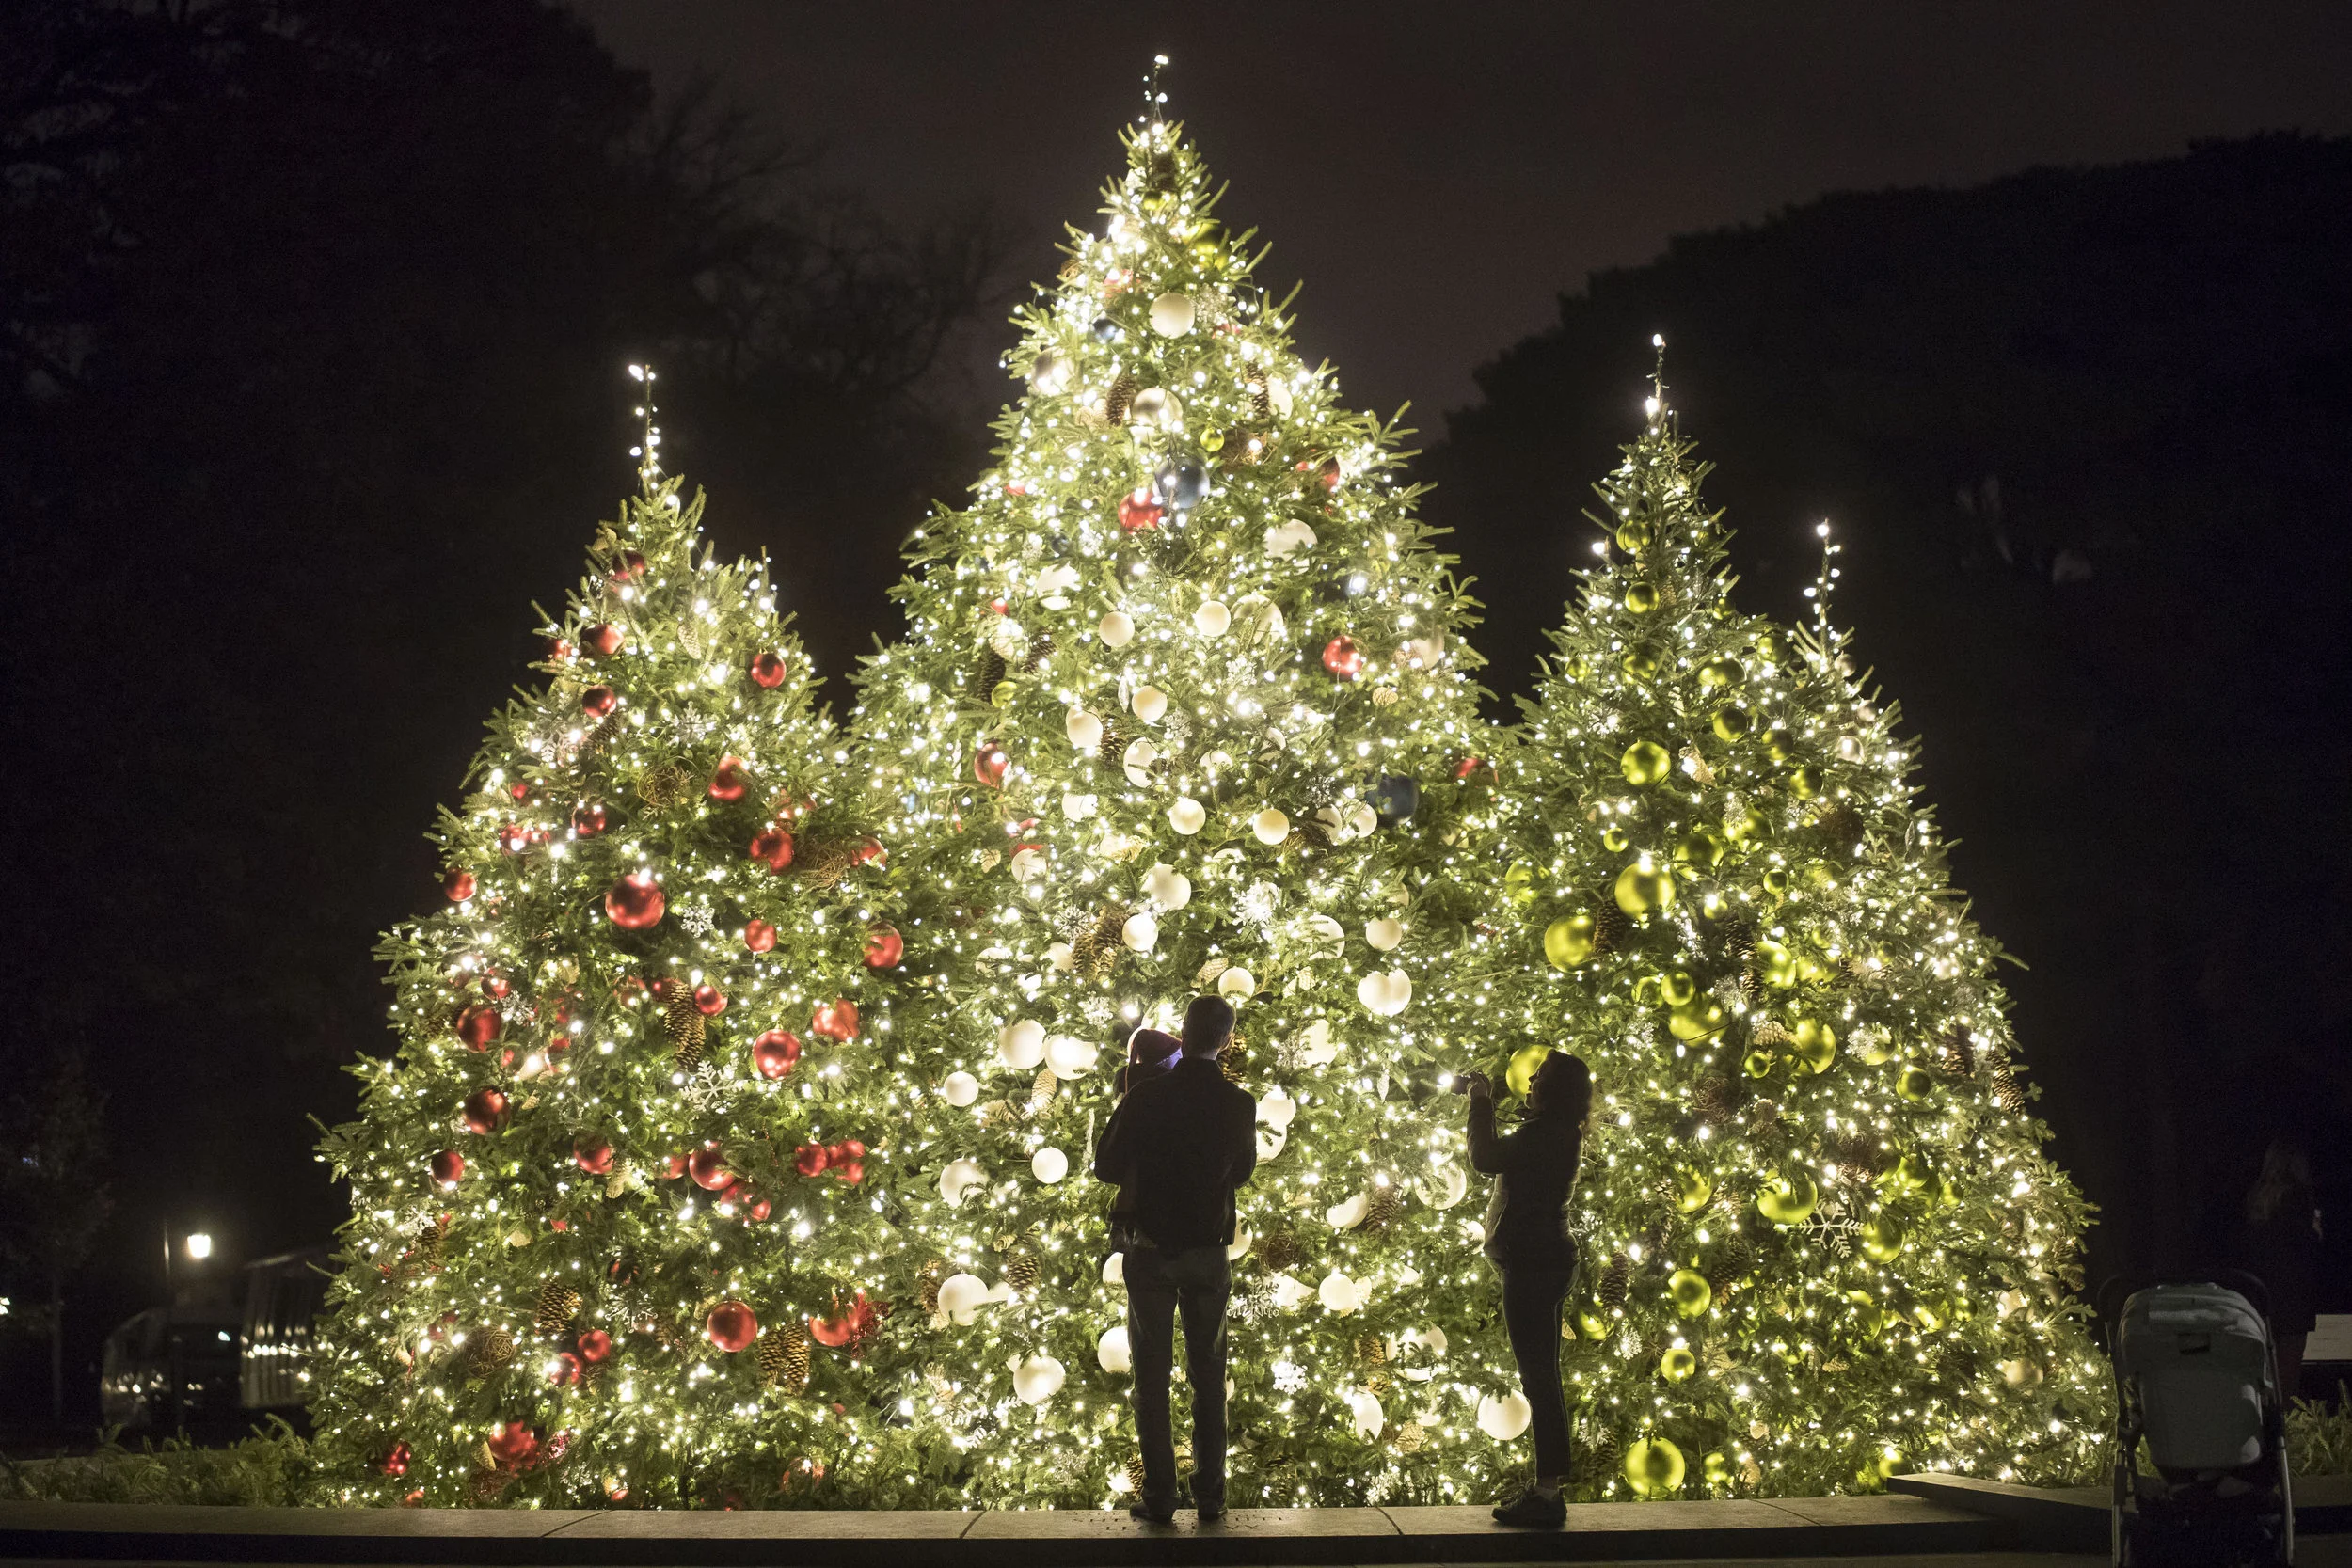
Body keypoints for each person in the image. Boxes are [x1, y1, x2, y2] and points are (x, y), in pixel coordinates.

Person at [1092, 996, 1256, 1525]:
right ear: (1225, 1041)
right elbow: (1242, 1171)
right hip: (1208, 1251)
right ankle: (1211, 1496)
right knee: (1209, 1375)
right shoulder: (1239, 1104)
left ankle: (1161, 1496)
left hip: (1152, 1249)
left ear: (1183, 1032)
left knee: (1152, 1376)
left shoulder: (1147, 1096)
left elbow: (1106, 1166)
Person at [1459, 1050, 1592, 1528]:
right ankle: (1549, 1488)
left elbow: (1485, 1158)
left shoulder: (1544, 1134)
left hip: (1533, 1266)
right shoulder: (1558, 1131)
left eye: (1542, 1075)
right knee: (1543, 1376)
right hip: (1546, 1261)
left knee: (1539, 1379)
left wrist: (1480, 1101)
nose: (1531, 1078)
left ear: (1556, 1090)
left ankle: (1547, 1495)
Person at [2244, 1137, 2322, 1401]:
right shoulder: (2297, 1199)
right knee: (2289, 1378)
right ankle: (2287, 1424)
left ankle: (2267, 1422)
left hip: (2264, 1299)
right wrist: (2315, 1232)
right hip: (2293, 1300)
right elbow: (2306, 1249)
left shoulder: (2257, 1201)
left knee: (2267, 1376)